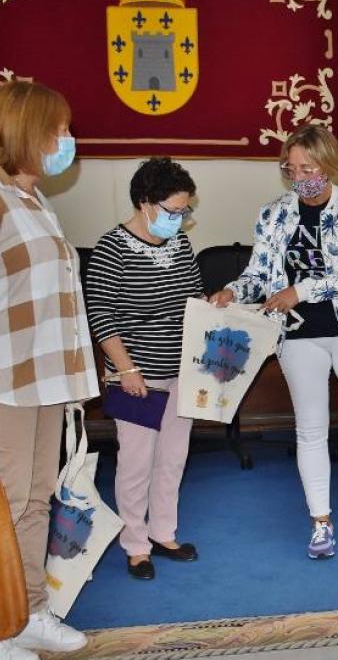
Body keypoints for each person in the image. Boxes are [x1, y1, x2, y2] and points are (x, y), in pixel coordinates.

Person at [207, 124, 338, 559]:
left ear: (328, 166)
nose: (299, 175)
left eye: (308, 166)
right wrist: (233, 290)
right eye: (291, 167)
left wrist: (300, 291)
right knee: (310, 430)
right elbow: (260, 275)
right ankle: (321, 523)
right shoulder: (273, 214)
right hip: (298, 335)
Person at [0, 81, 96, 659]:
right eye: (58, 129)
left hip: (46, 381)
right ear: (28, 130)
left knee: (33, 503)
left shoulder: (32, 200)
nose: (66, 140)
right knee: (1, 503)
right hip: (3, 382)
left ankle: (25, 611)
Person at [85, 157, 202, 580]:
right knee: (136, 463)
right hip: (135, 376)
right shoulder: (111, 248)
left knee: (173, 459)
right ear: (144, 203)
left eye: (184, 212)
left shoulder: (180, 246)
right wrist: (127, 370)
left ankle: (163, 533)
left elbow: (193, 302)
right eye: (173, 211)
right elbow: (101, 315)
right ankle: (135, 545)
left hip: (181, 372)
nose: (179, 219)